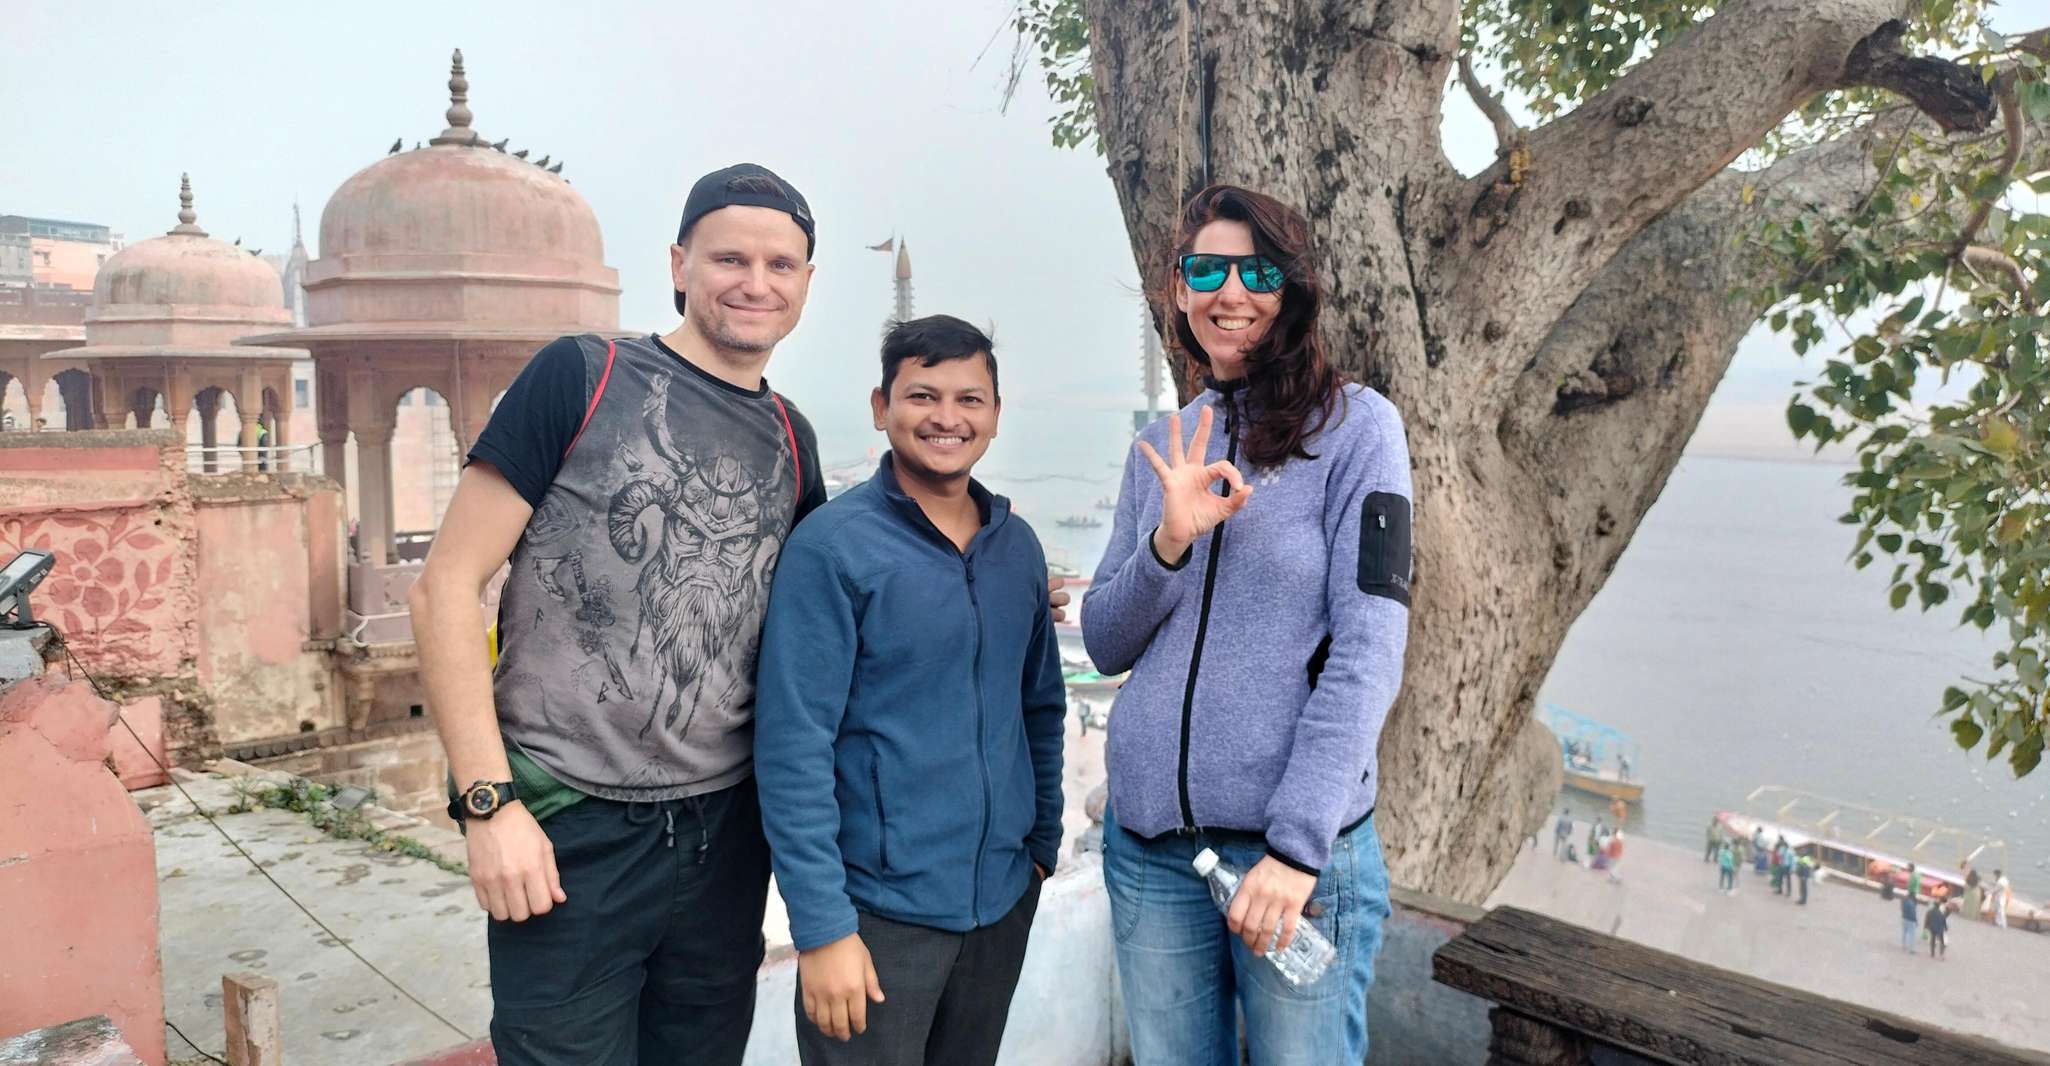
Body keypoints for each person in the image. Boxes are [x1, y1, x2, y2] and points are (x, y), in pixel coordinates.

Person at [411, 163, 828, 1064]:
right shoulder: (582, 376)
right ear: (679, 265)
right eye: (730, 259)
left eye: (780, 265)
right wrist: (488, 805)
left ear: (804, 283)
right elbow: (445, 586)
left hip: (725, 837)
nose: (755, 283)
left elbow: (819, 622)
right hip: (571, 825)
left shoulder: (793, 438)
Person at [1083, 185, 1411, 1065]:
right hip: (1151, 851)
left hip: (1290, 861)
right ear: (1178, 288)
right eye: (1206, 271)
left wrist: (1297, 850)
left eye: (1257, 272)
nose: (1230, 293)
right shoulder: (1166, 443)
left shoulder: (1359, 430)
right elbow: (1106, 641)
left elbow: (1368, 649)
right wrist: (1168, 544)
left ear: (1291, 288)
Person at [755, 316, 1065, 1065]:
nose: (946, 417)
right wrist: (823, 928)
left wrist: (1041, 845)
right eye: (922, 395)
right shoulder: (832, 548)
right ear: (881, 406)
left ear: (995, 413)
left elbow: (1040, 706)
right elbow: (794, 747)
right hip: (876, 919)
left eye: (969, 398)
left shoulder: (1015, 547)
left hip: (1001, 902)